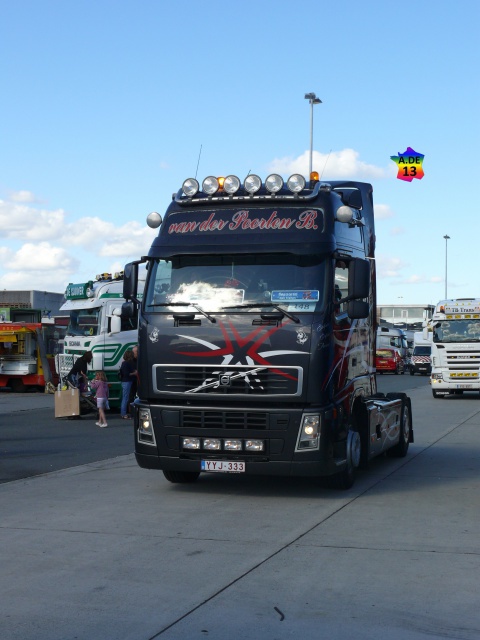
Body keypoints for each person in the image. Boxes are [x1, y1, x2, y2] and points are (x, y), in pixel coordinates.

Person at [119, 349, 136, 418]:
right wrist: (134, 373)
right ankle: (123, 413)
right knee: (125, 397)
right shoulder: (127, 363)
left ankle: (124, 413)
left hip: (126, 381)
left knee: (125, 397)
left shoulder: (124, 363)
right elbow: (126, 373)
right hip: (127, 381)